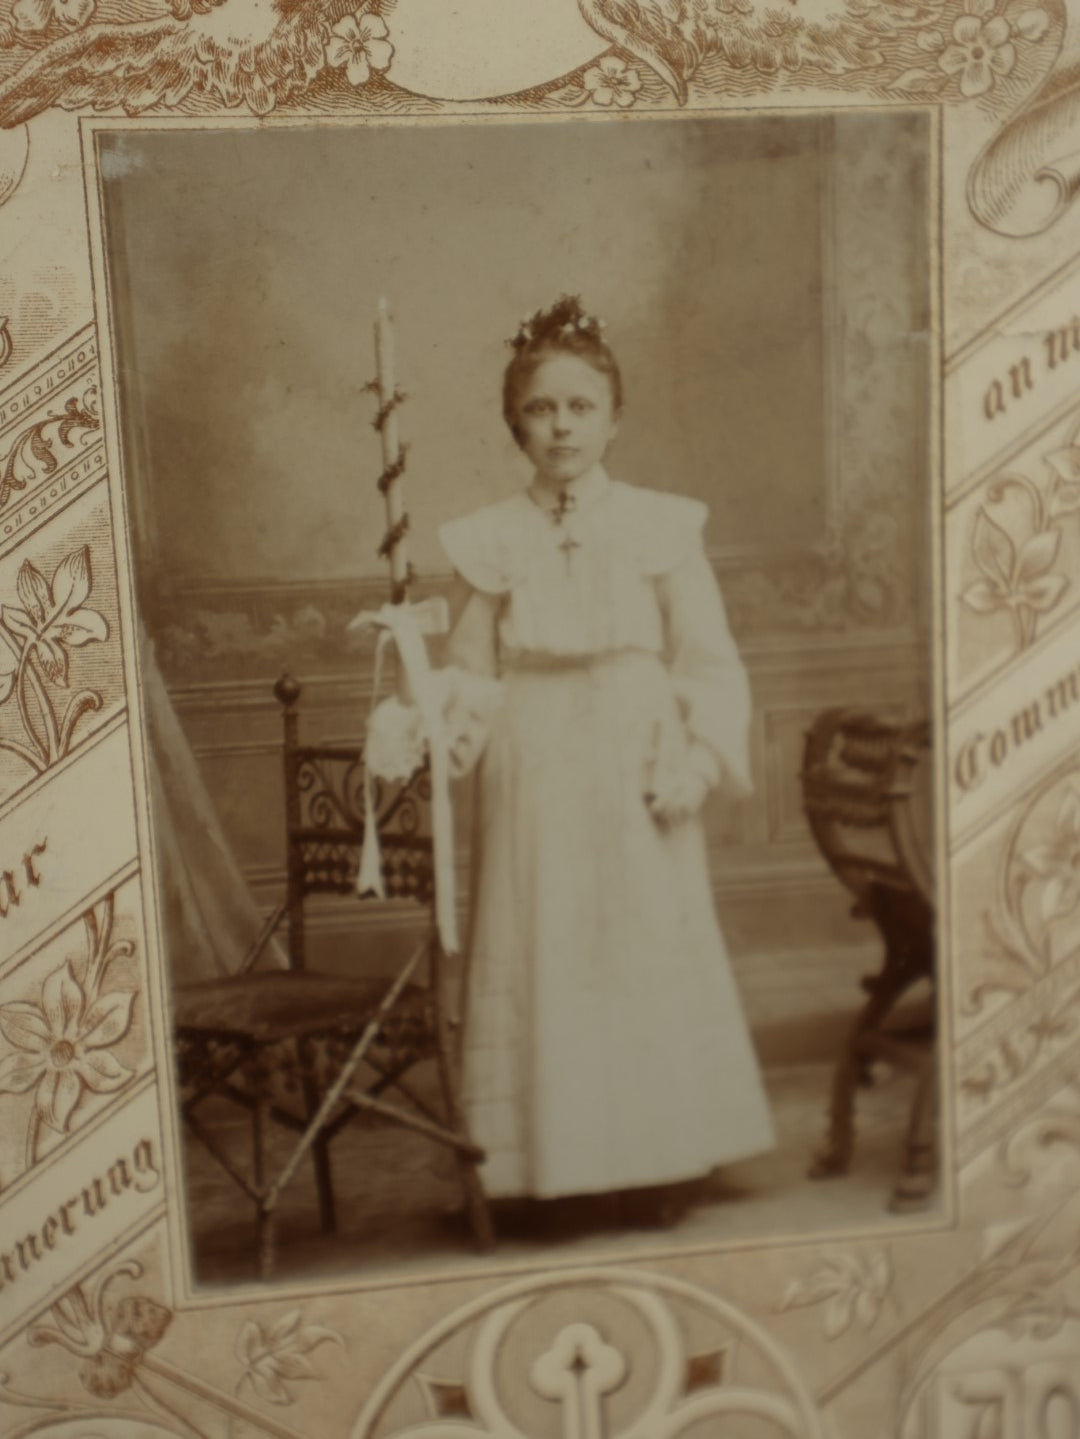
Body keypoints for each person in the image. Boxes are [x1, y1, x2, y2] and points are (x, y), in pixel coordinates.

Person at [439, 296, 774, 1224]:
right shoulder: (489, 537)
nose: (562, 426)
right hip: (533, 758)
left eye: (581, 407)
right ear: (516, 422)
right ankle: (542, 1167)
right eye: (542, 408)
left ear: (613, 417)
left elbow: (708, 659)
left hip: (635, 749)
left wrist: (700, 760)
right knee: (545, 946)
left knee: (639, 941)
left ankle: (662, 1157)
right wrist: (439, 734)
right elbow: (466, 671)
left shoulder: (661, 525)